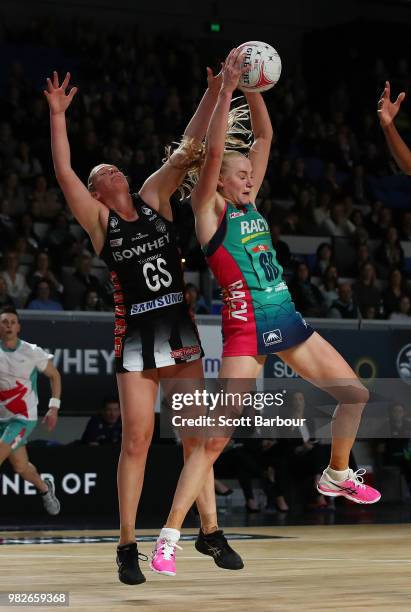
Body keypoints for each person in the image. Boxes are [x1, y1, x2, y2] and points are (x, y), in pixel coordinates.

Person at [45, 69, 242, 585]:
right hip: (134, 334)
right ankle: (127, 543)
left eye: (113, 165)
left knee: (195, 439)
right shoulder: (97, 222)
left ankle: (209, 529)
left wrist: (216, 90)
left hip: (178, 329)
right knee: (137, 440)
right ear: (97, 190)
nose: (113, 168)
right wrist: (58, 116)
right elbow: (64, 171)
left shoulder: (155, 195)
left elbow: (190, 144)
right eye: (103, 170)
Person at [188, 47, 380, 520]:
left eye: (252, 174)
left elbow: (266, 135)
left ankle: (336, 475)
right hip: (247, 330)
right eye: (241, 174)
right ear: (221, 182)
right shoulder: (211, 209)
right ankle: (177, 528)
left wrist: (255, 90)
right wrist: (228, 89)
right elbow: (214, 152)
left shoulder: (250, 204)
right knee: (216, 437)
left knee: (356, 396)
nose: (250, 179)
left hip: (288, 322)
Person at [0, 307, 61, 515]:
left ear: (18, 327)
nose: (8, 325)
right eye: (4, 322)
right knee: (21, 467)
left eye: (12, 322)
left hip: (22, 418)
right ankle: (45, 488)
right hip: (1, 417)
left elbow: (55, 376)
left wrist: (53, 407)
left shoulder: (32, 352)